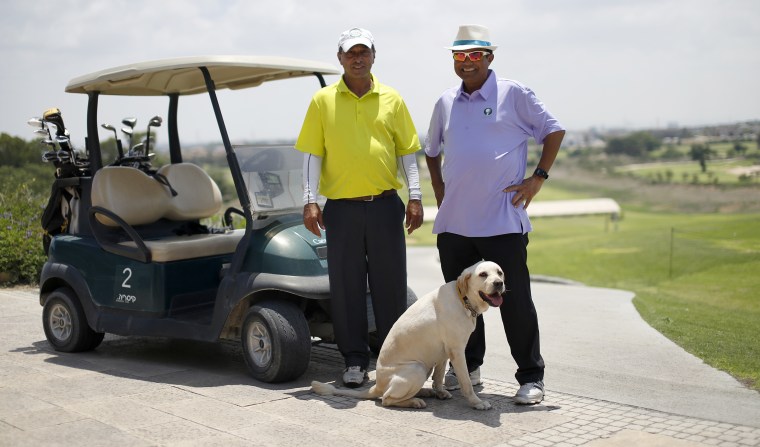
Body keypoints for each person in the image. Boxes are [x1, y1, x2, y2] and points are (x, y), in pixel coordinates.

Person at [424, 24, 565, 404]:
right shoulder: (445, 102)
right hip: (454, 224)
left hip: (502, 221)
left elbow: (553, 130)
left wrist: (537, 178)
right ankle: (468, 368)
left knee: (514, 300)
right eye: (459, 56)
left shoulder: (513, 93)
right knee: (464, 302)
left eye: (474, 55)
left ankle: (531, 377)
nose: (466, 63)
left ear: (489, 57)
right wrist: (438, 188)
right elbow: (431, 150)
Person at [295, 27, 424, 388]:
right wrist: (309, 201)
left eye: (363, 52)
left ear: (373, 56)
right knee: (347, 286)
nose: (357, 58)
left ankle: (394, 358)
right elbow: (312, 155)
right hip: (342, 208)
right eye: (350, 53)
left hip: (385, 207)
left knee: (391, 286)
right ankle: (353, 360)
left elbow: (407, 152)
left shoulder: (392, 99)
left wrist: (415, 196)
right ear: (339, 58)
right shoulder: (322, 101)